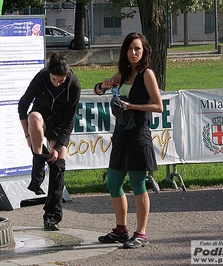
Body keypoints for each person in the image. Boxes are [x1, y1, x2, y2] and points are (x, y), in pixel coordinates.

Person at [93, 33, 163, 248]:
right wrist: (102, 86)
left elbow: (158, 106)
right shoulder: (124, 73)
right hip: (122, 133)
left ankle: (141, 233)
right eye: (130, 49)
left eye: (137, 49)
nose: (133, 53)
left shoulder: (146, 74)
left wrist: (133, 106)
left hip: (139, 133)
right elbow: (97, 90)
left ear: (144, 52)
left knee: (137, 184)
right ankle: (120, 230)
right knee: (113, 183)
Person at [18, 52, 81, 231]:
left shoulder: (73, 84)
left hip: (60, 123)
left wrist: (58, 145)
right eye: (54, 79)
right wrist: (28, 137)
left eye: (61, 80)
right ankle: (38, 164)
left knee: (58, 165)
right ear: (49, 73)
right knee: (34, 118)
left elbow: (70, 120)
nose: (57, 83)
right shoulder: (41, 77)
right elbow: (23, 106)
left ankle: (52, 216)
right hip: (41, 116)